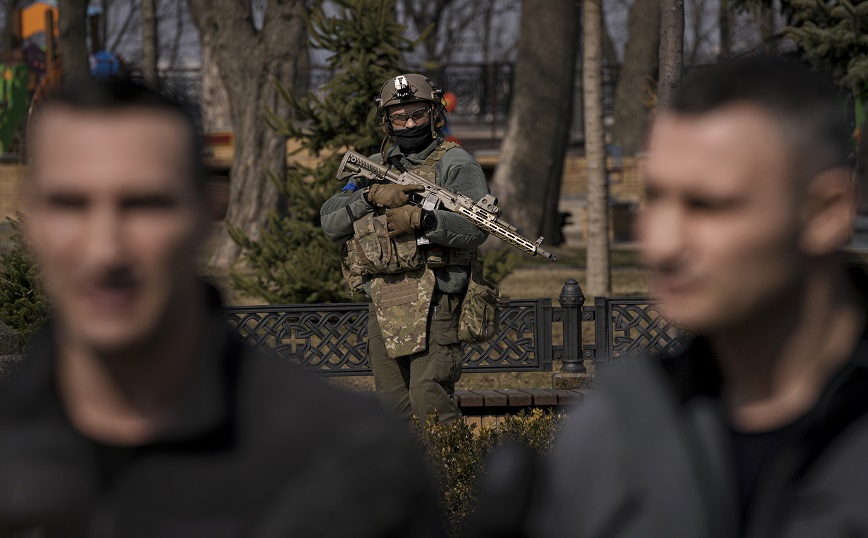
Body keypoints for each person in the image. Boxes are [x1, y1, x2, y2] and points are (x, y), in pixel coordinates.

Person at [0, 78, 444, 537]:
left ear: (205, 212)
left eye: (145, 205)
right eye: (70, 204)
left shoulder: (349, 459)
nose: (105, 252)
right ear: (31, 217)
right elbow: (336, 215)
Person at [525, 55, 868, 537]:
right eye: (657, 198)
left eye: (707, 205)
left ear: (827, 211)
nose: (663, 243)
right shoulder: (616, 427)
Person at [321, 74, 489, 424]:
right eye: (400, 117)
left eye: (418, 114)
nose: (409, 123)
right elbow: (331, 223)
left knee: (430, 399)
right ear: (388, 121)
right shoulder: (373, 166)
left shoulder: (455, 163)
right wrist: (369, 196)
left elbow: (476, 229)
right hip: (386, 297)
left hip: (436, 297)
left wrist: (421, 219)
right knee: (392, 404)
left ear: (434, 115)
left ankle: (454, 476)